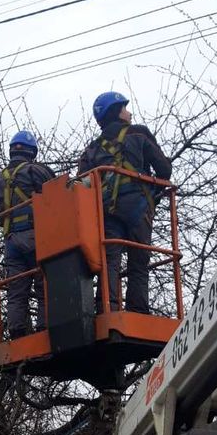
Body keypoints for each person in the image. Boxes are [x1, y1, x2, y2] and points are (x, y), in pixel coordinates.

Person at [78, 91, 173, 314]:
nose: (129, 112)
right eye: (125, 108)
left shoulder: (91, 150)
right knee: (139, 261)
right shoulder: (138, 133)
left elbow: (82, 188)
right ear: (117, 111)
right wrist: (153, 194)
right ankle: (138, 310)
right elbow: (165, 170)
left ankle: (106, 307)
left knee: (109, 258)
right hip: (138, 206)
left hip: (106, 211)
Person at [0, 129, 54, 338]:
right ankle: (45, 327)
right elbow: (56, 194)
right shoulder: (36, 171)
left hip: (11, 240)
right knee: (44, 281)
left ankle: (16, 331)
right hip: (34, 235)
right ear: (32, 152)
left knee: (16, 289)